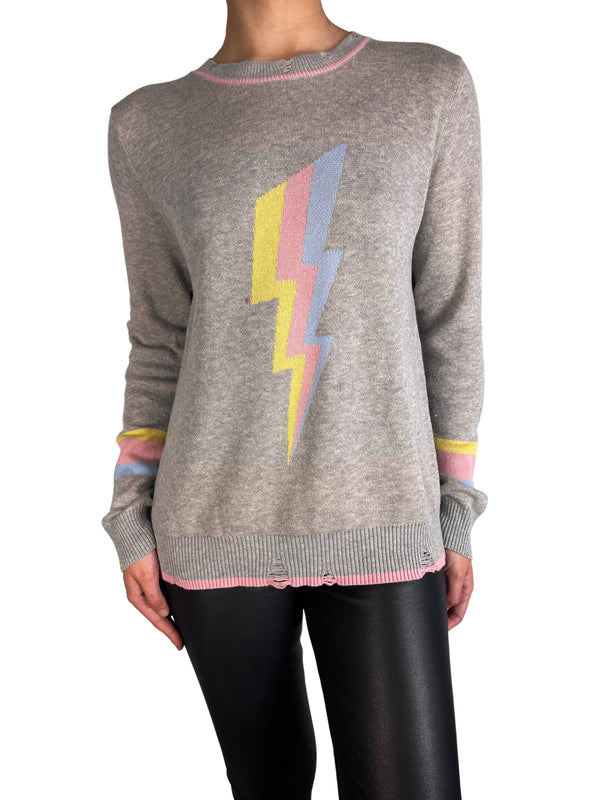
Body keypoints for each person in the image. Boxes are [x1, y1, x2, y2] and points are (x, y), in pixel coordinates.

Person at [101, 1, 489, 797]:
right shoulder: (146, 124)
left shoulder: (428, 85)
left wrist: (456, 505)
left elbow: (448, 313)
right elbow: (161, 335)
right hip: (213, 524)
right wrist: (129, 508)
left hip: (383, 516)